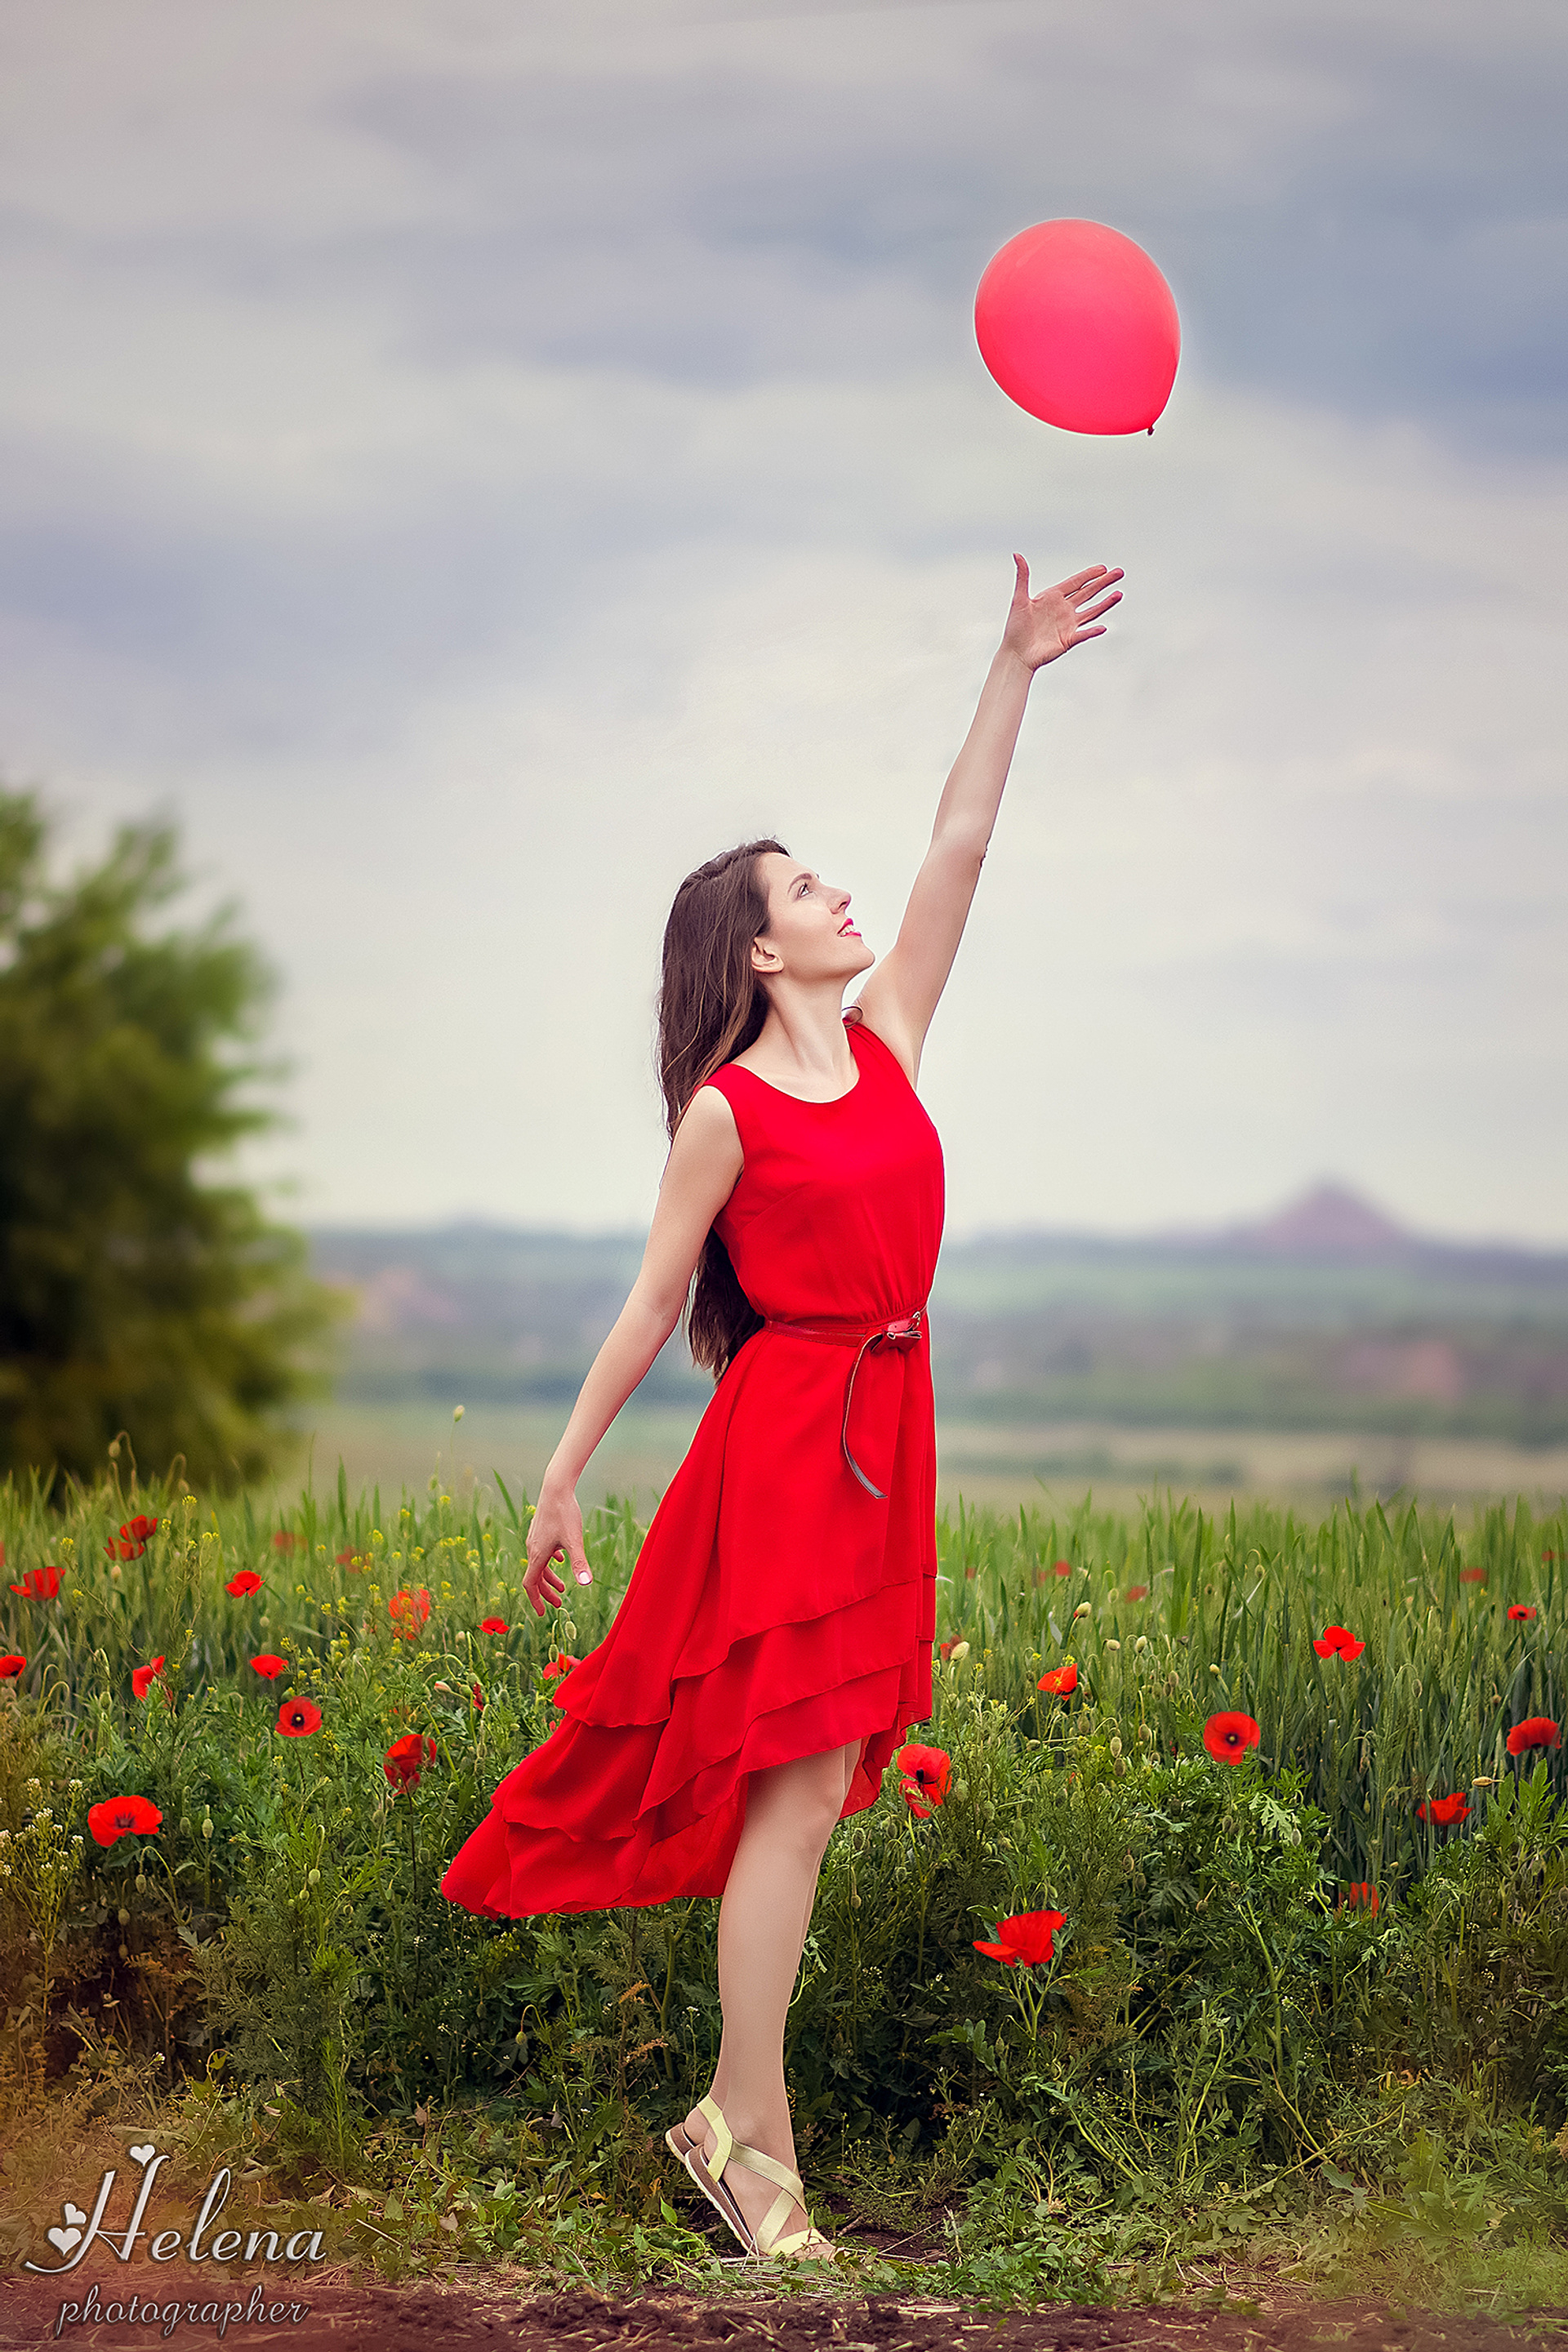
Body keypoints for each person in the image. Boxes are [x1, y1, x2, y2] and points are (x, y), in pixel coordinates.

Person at [440, 552, 1123, 2263]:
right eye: (807, 887)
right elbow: (657, 1301)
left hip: (890, 1428)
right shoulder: (727, 1115)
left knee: (813, 1793)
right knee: (793, 1794)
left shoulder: (887, 1033)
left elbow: (958, 846)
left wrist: (1016, 666)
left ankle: (745, 2125)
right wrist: (560, 1478)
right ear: (758, 944)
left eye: (830, 877)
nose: (842, 896)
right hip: (790, 1442)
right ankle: (752, 2140)